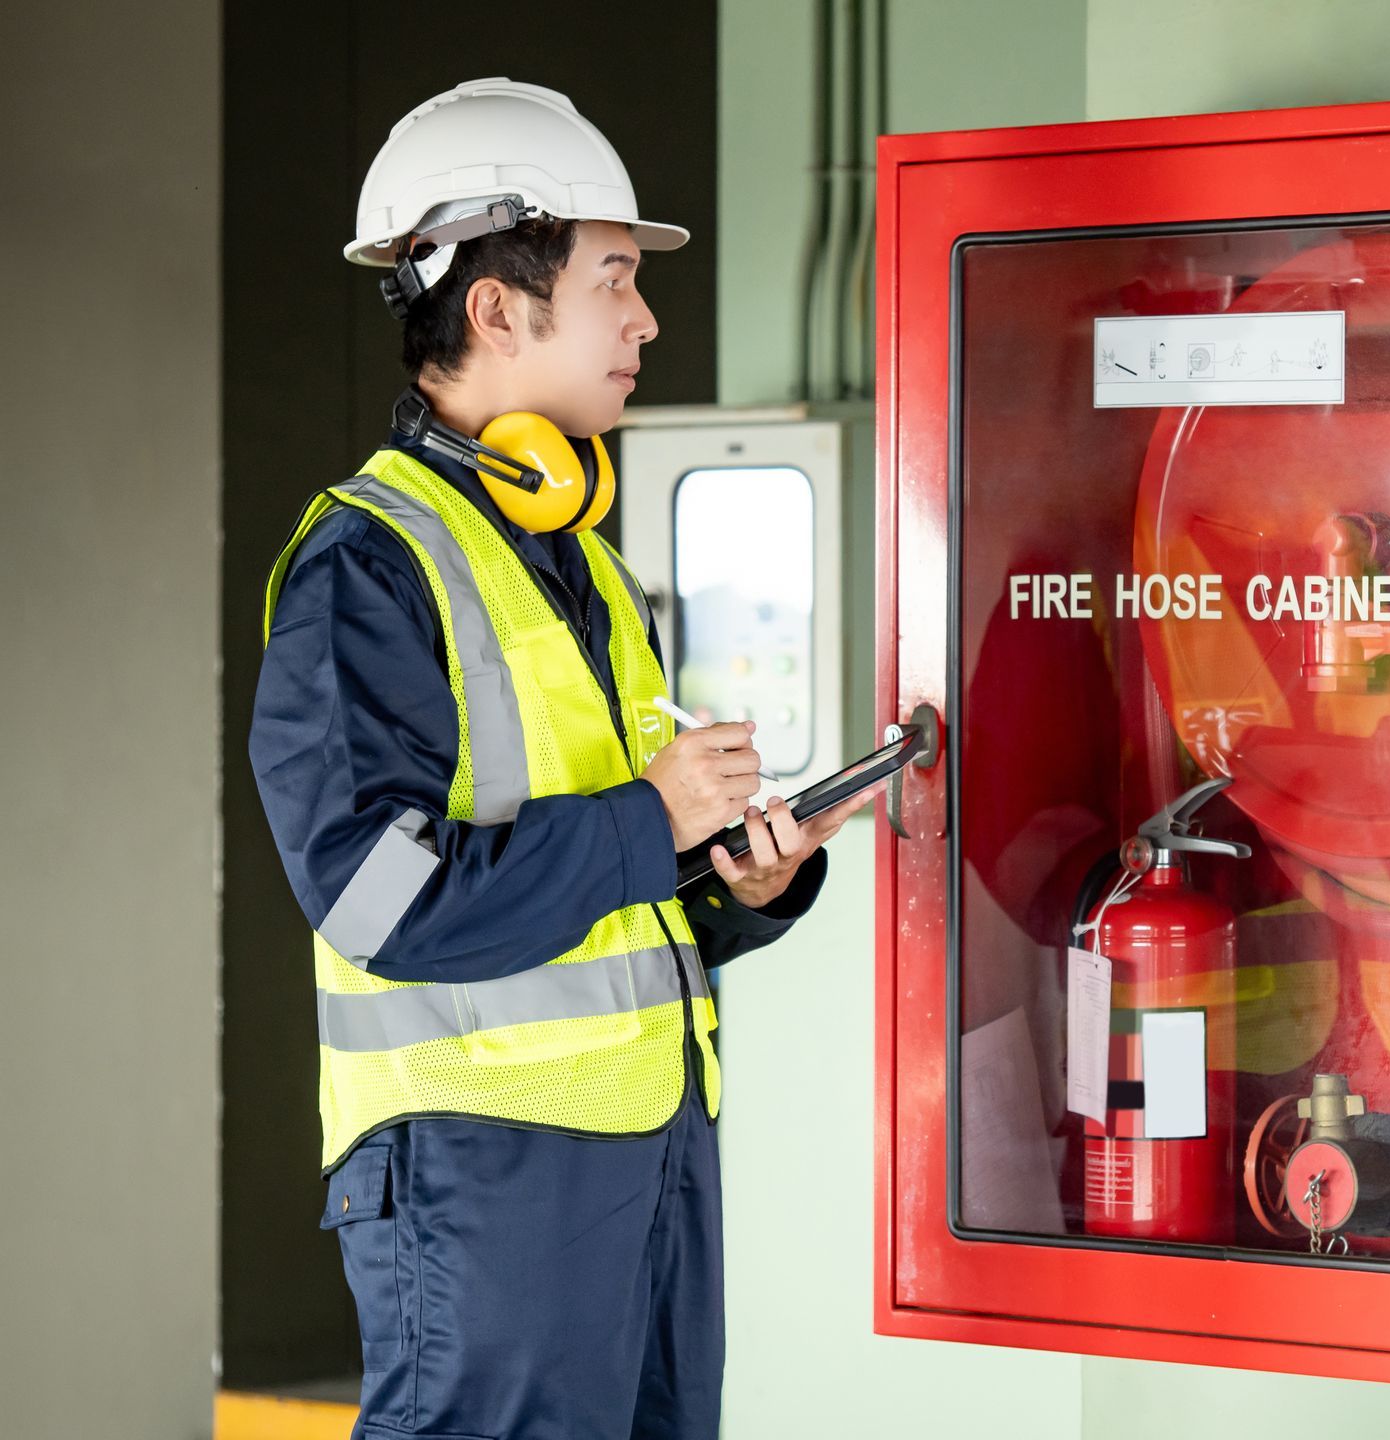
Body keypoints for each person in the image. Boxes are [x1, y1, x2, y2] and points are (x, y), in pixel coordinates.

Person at [249, 77, 873, 1440]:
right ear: (493, 306)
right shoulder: (369, 568)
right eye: (613, 277)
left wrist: (734, 889)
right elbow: (376, 897)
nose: (646, 316)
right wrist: (646, 824)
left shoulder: (582, 561)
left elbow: (612, 892)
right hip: (486, 1178)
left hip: (643, 1162)